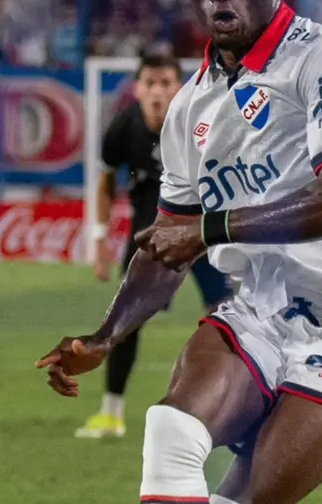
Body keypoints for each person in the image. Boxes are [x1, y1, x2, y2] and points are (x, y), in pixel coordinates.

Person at [36, 0, 322, 503]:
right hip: (262, 312)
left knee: (242, 498)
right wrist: (107, 335)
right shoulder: (189, 109)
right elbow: (167, 245)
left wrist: (208, 230)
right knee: (168, 430)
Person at [77, 53, 234, 439]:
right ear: (137, 89)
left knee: (232, 321)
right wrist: (98, 239)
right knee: (125, 321)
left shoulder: (204, 121)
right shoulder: (124, 127)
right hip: (150, 237)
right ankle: (111, 413)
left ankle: (236, 414)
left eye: (166, 83)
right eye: (150, 83)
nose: (158, 91)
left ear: (179, 87)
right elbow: (106, 181)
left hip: (202, 235)